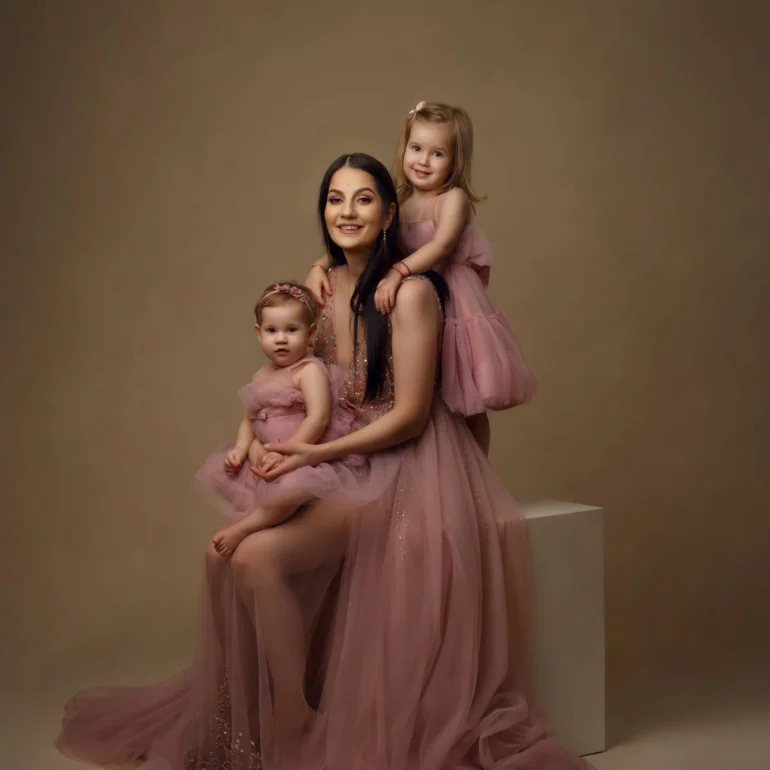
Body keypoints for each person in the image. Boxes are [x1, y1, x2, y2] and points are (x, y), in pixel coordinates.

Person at [56, 153, 587, 770]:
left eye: (364, 199)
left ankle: (293, 725)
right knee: (240, 558)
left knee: (260, 558)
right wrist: (261, 442)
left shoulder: (413, 293)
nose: (347, 212)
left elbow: (411, 415)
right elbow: (296, 377)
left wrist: (315, 450)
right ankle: (284, 716)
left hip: (405, 463)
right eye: (335, 199)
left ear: (390, 213)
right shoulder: (322, 286)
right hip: (341, 458)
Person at [306, 101, 536, 456]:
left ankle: (477, 472)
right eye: (416, 149)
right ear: (404, 149)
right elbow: (362, 232)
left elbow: (441, 247)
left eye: (437, 153)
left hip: (454, 300)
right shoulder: (399, 198)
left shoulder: (452, 200)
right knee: (423, 384)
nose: (423, 161)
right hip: (415, 294)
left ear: (455, 161)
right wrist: (319, 264)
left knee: (465, 398)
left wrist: (399, 271)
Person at [196, 280, 366, 557]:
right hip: (266, 457)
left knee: (290, 488)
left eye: (291, 330)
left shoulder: (308, 370)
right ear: (258, 333)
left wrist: (290, 452)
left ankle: (247, 527)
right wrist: (241, 449)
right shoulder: (262, 375)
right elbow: (249, 420)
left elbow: (319, 418)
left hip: (300, 455)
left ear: (310, 332)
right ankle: (259, 518)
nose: (281, 338)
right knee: (252, 480)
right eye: (272, 330)